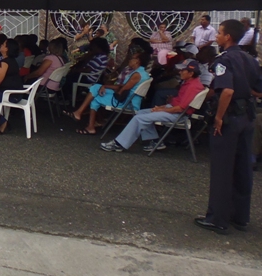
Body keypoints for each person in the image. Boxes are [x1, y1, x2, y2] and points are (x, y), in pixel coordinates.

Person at [195, 19, 262, 234]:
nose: (216, 36)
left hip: (230, 118)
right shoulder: (250, 59)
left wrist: (218, 117)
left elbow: (227, 91)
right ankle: (240, 217)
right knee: (243, 167)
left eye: (219, 33)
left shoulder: (224, 60)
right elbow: (258, 90)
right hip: (247, 117)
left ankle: (218, 218)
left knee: (222, 169)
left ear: (228, 37)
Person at [100, 59, 204, 152]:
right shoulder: (190, 83)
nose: (179, 72)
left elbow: (180, 108)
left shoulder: (192, 87)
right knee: (141, 113)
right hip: (174, 111)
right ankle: (153, 141)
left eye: (182, 70)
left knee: (139, 118)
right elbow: (177, 105)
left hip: (179, 115)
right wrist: (162, 107)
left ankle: (119, 144)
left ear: (191, 73)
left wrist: (161, 109)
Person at [65, 52, 149, 135]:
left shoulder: (137, 74)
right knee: (97, 88)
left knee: (96, 96)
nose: (129, 60)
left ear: (137, 61)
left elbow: (123, 89)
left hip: (126, 102)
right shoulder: (142, 73)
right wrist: (105, 86)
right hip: (129, 99)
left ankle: (85, 120)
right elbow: (123, 87)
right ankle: (85, 120)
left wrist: (108, 88)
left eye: (131, 58)